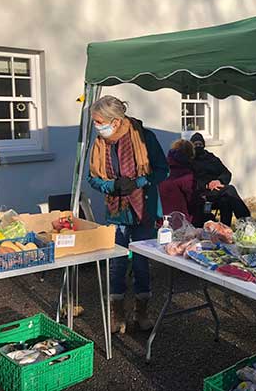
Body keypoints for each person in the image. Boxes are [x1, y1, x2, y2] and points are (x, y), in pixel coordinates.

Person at [88, 95, 168, 334]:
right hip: (116, 212)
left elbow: (163, 170)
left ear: (114, 121)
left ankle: (142, 311)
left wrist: (138, 182)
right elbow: (92, 178)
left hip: (143, 208)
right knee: (116, 263)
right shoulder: (100, 144)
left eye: (98, 121)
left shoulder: (144, 138)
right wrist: (111, 187)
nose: (95, 125)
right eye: (94, 121)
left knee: (142, 263)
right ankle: (117, 313)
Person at [190, 133, 251, 226]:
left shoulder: (211, 158)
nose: (198, 146)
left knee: (226, 200)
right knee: (230, 189)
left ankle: (225, 230)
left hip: (218, 189)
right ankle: (247, 222)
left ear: (204, 145)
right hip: (202, 193)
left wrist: (219, 181)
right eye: (195, 145)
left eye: (200, 144)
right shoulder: (190, 161)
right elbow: (190, 181)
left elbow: (227, 173)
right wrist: (207, 184)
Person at [159, 139, 197, 223]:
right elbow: (192, 199)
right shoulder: (186, 174)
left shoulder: (161, 169)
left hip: (160, 219)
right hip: (179, 221)